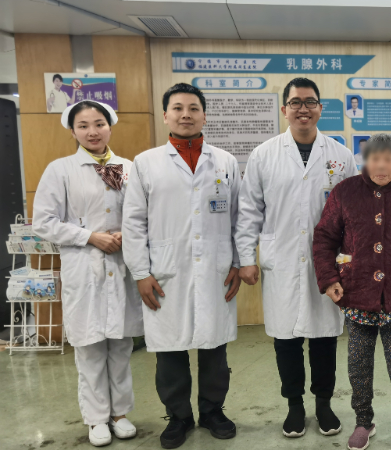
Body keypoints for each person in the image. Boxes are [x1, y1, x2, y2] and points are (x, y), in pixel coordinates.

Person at [236, 78, 357, 439]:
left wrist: (351, 261)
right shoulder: (264, 155)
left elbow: (354, 215)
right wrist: (246, 257)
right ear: (284, 109)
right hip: (283, 259)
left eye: (310, 102)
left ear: (320, 108)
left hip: (328, 263)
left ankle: (323, 403)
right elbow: (249, 211)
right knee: (286, 339)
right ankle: (294, 406)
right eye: (295, 102)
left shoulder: (341, 155)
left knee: (324, 338)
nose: (303, 109)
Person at [122, 83, 241, 449]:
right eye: (177, 108)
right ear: (165, 116)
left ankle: (212, 411)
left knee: (214, 347)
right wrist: (141, 272)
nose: (185, 114)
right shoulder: (146, 163)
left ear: (204, 116)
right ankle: (178, 416)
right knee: (170, 350)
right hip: (164, 272)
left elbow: (239, 217)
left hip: (217, 269)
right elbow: (133, 222)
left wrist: (238, 262)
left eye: (193, 108)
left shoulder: (225, 162)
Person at [313, 133, 391, 450]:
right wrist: (329, 279)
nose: (382, 166)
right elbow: (324, 238)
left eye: (388, 160)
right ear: (365, 160)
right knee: (358, 368)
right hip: (357, 295)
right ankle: (363, 422)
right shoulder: (345, 191)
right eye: (375, 159)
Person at [33, 100, 143, 447]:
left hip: (121, 265)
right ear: (73, 131)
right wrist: (90, 237)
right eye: (83, 126)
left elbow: (141, 213)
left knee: (121, 346)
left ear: (110, 126)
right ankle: (96, 418)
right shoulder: (61, 170)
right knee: (90, 348)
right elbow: (44, 222)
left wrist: (127, 233)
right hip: (85, 267)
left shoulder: (128, 167)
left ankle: (120, 414)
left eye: (99, 124)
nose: (92, 132)